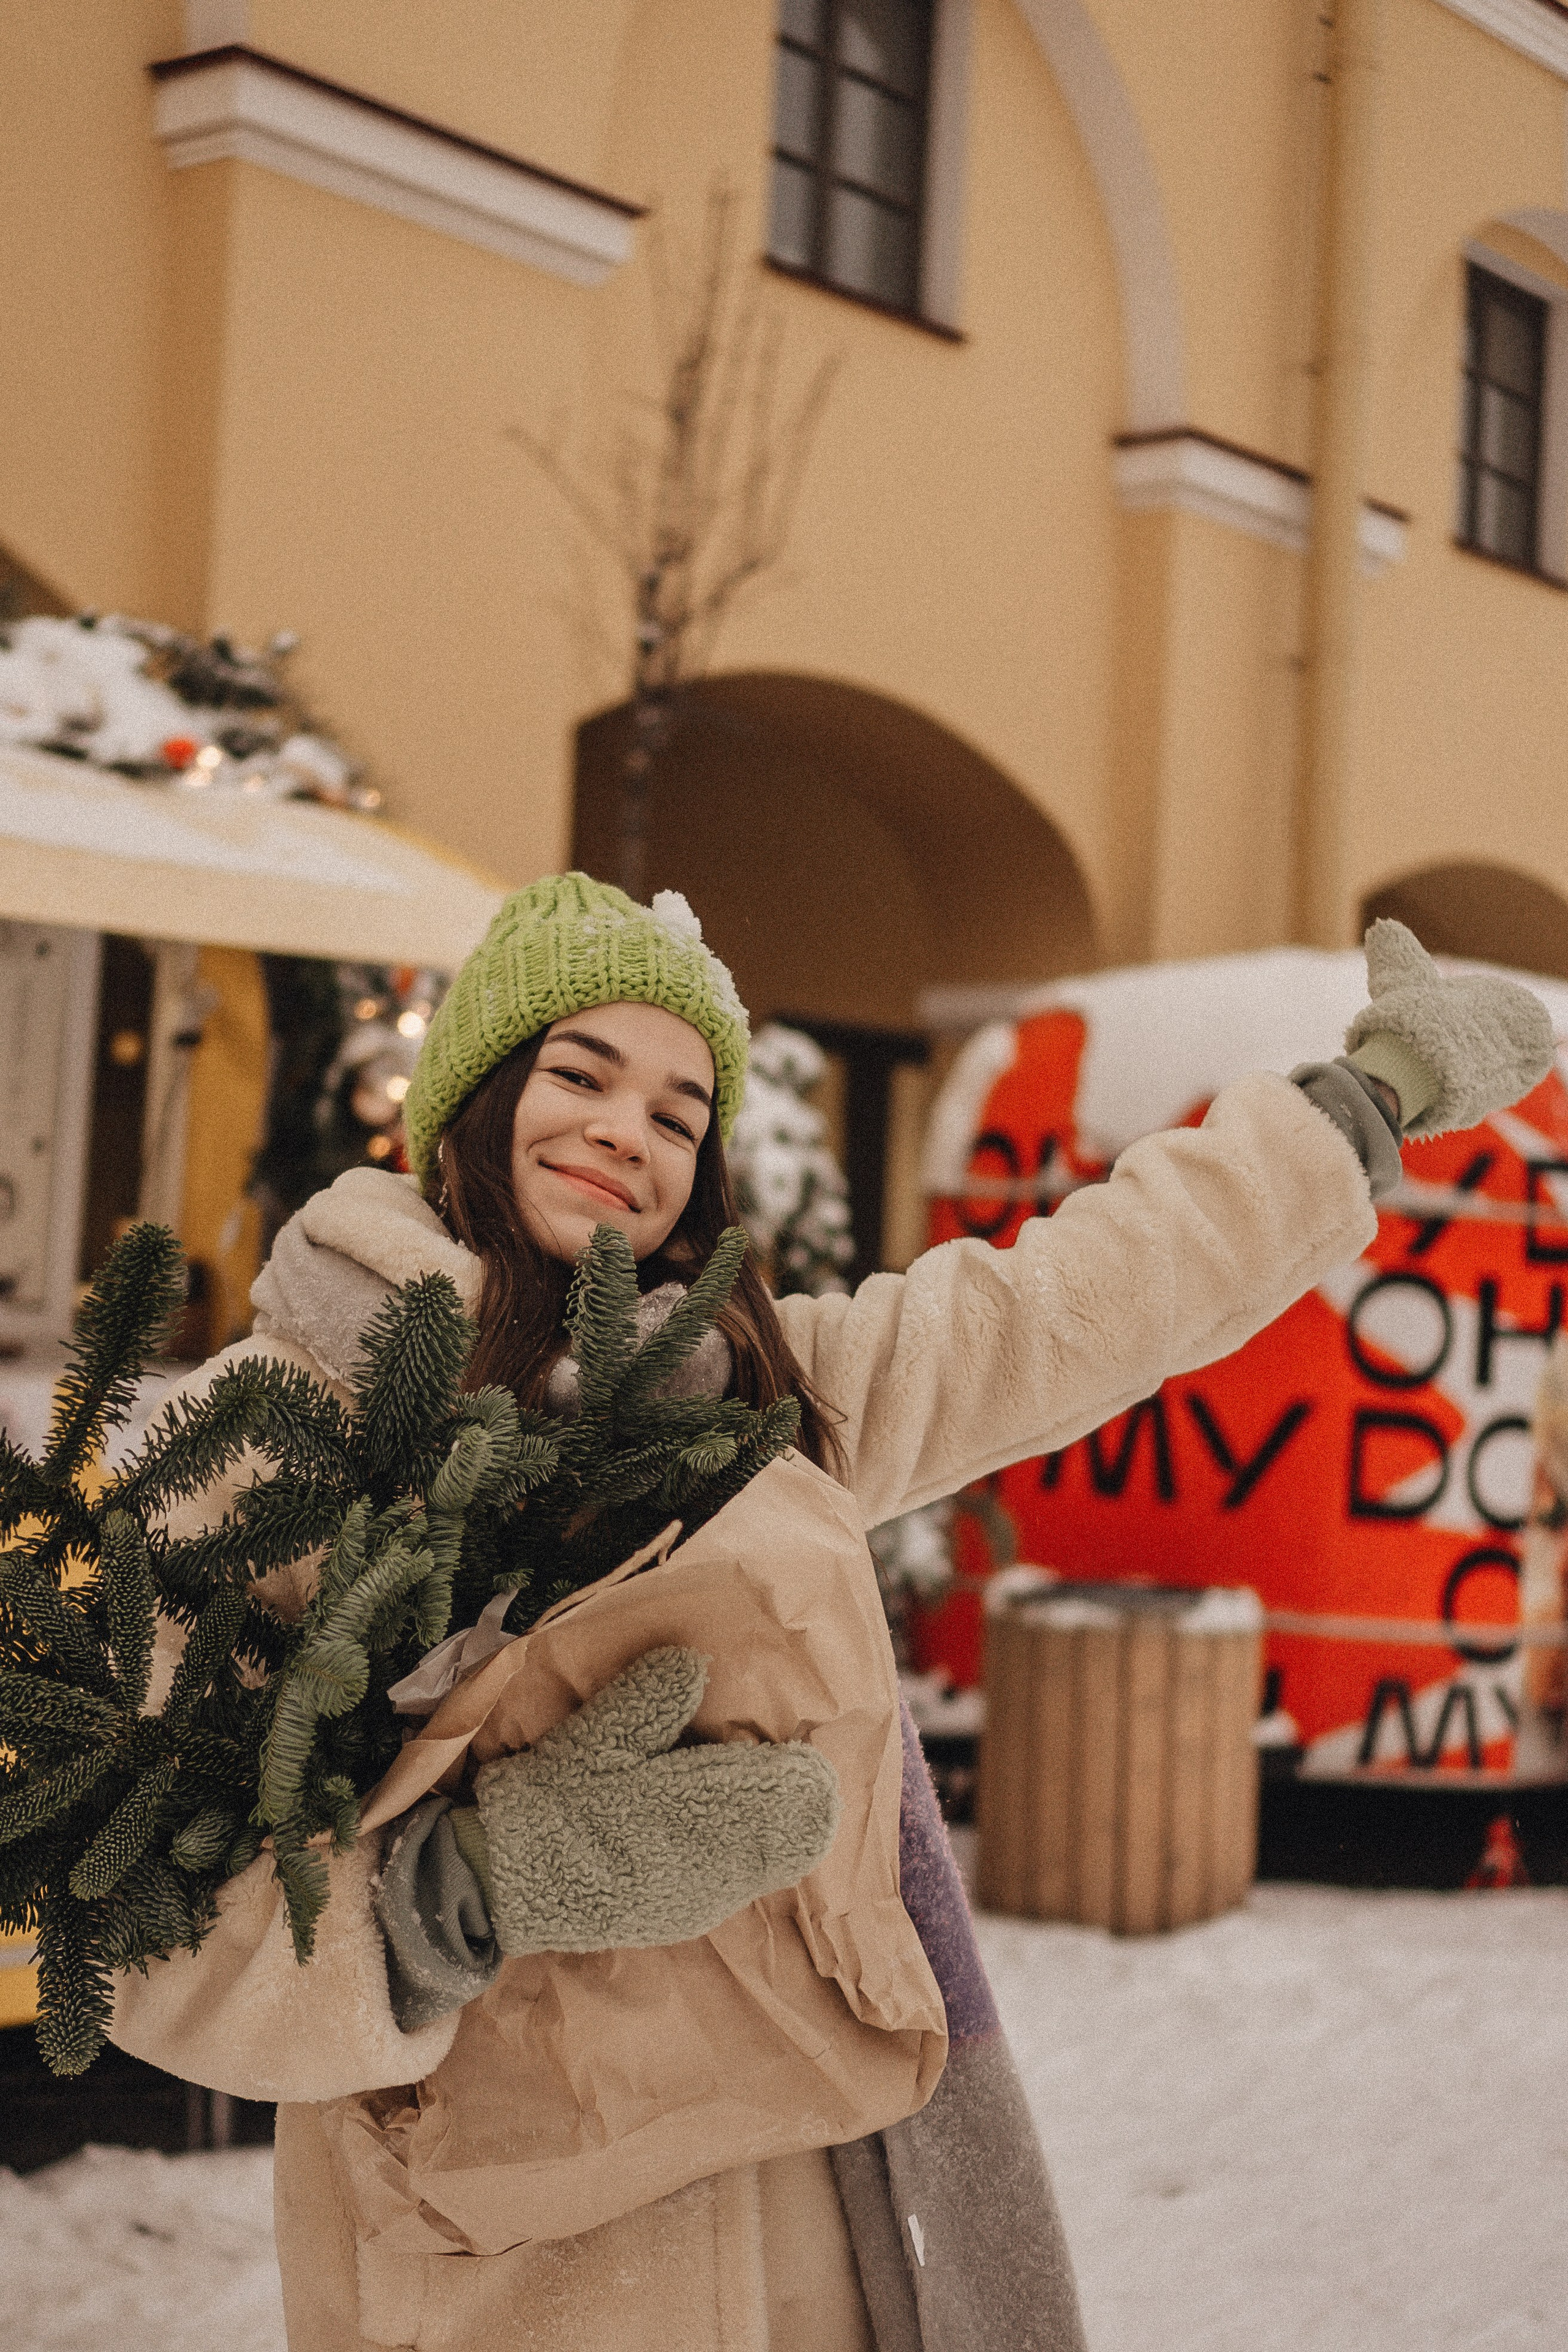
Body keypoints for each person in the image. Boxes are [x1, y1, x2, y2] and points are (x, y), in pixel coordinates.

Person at [109, 876, 1553, 2352]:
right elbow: (127, 1895)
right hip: (489, 2265)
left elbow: (1074, 1301)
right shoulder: (277, 1430)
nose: (626, 1131)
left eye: (677, 1115)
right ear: (474, 1097)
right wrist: (472, 1888)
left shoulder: (752, 1406)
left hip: (803, 2225)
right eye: (580, 1075)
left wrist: (1363, 1103)